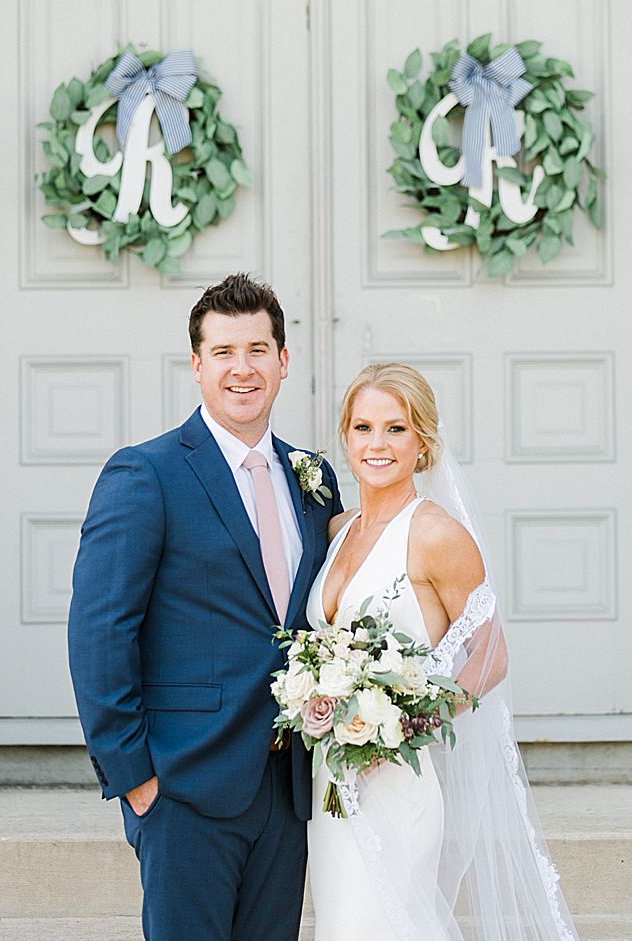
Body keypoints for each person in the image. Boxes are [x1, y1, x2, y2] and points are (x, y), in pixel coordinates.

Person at [67, 274, 344, 941]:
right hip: (185, 789)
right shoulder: (146, 474)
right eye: (222, 352)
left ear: (283, 361)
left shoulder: (314, 479)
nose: (241, 369)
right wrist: (137, 782)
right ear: (196, 366)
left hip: (289, 788)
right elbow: (101, 634)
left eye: (256, 350)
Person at [307, 363, 577, 938]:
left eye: (396, 429)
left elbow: (491, 654)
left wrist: (401, 724)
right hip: (328, 781)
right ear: (345, 436)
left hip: (396, 778)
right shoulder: (338, 530)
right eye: (363, 427)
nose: (377, 444)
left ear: (422, 442)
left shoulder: (436, 535)